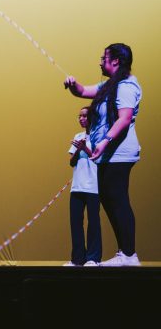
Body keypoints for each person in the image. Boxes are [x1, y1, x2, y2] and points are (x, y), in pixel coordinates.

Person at [64, 43, 141, 267]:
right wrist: (72, 84)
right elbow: (83, 91)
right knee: (109, 200)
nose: (100, 62)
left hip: (120, 152)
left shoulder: (126, 86)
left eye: (103, 58)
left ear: (115, 60)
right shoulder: (109, 85)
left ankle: (129, 255)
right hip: (109, 154)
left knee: (118, 200)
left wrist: (105, 140)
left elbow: (124, 118)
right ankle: (124, 253)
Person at [64, 106, 101, 267]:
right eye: (79, 116)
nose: (81, 119)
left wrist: (84, 147)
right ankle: (77, 259)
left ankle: (93, 258)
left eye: (84, 116)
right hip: (77, 187)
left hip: (93, 186)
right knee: (76, 223)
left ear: (92, 117)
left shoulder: (100, 135)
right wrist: (78, 150)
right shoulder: (78, 136)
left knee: (93, 222)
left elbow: (97, 157)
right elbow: (71, 162)